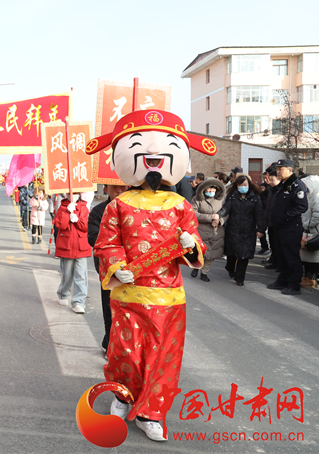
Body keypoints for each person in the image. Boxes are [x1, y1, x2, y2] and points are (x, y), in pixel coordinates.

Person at [86, 109, 210, 442]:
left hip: (169, 297)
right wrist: (116, 267)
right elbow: (106, 243)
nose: (154, 154)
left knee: (162, 358)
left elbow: (195, 243)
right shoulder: (118, 205)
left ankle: (151, 412)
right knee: (125, 352)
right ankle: (123, 397)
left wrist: (191, 244)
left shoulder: (181, 206)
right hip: (129, 296)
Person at [88, 184, 127, 354]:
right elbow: (93, 238)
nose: (119, 190)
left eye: (123, 187)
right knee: (110, 307)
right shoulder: (98, 211)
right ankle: (110, 344)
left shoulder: (138, 211)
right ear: (106, 189)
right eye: (114, 187)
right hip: (109, 269)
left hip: (133, 268)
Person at [266, 159, 308, 295]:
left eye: (281, 169)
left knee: (291, 256)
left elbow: (302, 206)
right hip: (280, 227)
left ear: (290, 170)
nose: (278, 171)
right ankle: (283, 280)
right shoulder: (284, 184)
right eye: (278, 169)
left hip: (291, 227)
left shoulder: (297, 185)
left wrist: (286, 216)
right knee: (281, 255)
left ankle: (294, 284)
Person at [217, 175, 264, 285]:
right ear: (236, 185)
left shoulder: (255, 197)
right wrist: (218, 215)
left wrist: (260, 229)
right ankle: (230, 268)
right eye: (240, 185)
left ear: (249, 185)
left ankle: (240, 278)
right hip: (233, 229)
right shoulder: (232, 196)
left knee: (244, 255)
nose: (243, 187)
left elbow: (259, 214)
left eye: (245, 184)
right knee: (232, 254)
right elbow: (226, 208)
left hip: (248, 230)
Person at [55, 192, 91, 314]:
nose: (73, 194)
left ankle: (79, 302)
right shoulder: (62, 207)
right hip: (67, 247)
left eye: (76, 192)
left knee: (81, 276)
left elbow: (86, 226)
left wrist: (77, 218)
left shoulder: (84, 208)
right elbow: (60, 225)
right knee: (67, 274)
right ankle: (63, 294)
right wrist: (67, 212)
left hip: (81, 247)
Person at [190, 178, 227, 282]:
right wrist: (210, 217)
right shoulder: (196, 199)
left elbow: (226, 213)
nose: (211, 192)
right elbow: (193, 213)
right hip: (201, 230)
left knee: (212, 254)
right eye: (209, 189)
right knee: (200, 252)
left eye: (213, 189)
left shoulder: (221, 199)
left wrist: (219, 221)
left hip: (216, 231)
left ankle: (204, 272)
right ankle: (196, 267)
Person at [299, 175, 319, 288]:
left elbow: (318, 216)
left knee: (314, 256)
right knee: (307, 256)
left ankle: (312, 280)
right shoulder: (309, 196)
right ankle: (307, 278)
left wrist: (306, 224)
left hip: (314, 232)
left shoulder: (317, 198)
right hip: (308, 231)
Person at [257, 171, 272, 255]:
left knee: (271, 232)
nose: (266, 180)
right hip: (262, 211)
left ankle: (271, 249)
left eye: (267, 178)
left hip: (270, 212)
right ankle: (264, 246)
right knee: (260, 229)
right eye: (264, 178)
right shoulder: (262, 186)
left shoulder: (273, 186)